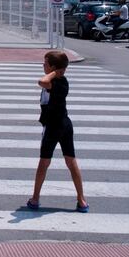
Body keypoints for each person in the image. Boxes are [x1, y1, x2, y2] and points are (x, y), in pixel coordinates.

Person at [26, 50, 88, 213]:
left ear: (53, 67)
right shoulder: (63, 82)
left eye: (45, 63)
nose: (43, 65)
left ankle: (35, 199)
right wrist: (56, 71)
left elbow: (41, 81)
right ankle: (81, 200)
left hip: (53, 127)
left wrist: (53, 72)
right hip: (65, 125)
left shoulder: (56, 83)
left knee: (44, 163)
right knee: (71, 161)